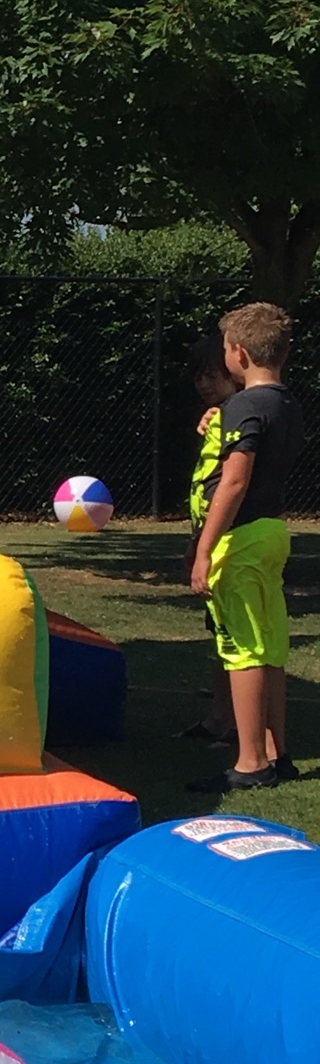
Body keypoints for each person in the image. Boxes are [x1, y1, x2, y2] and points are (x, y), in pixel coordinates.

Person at [189, 302, 304, 792]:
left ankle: (251, 761)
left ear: (238, 353)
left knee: (243, 650)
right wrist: (221, 420)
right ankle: (278, 752)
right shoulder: (286, 403)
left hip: (241, 539)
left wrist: (204, 549)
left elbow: (234, 481)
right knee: (270, 646)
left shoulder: (244, 406)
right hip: (272, 533)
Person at [180, 334, 240, 747]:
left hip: (234, 542)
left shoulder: (242, 416)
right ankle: (220, 716)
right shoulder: (219, 417)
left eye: (212, 375)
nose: (204, 384)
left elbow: (232, 484)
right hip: (211, 537)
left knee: (236, 639)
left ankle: (237, 723)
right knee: (220, 634)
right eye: (199, 376)